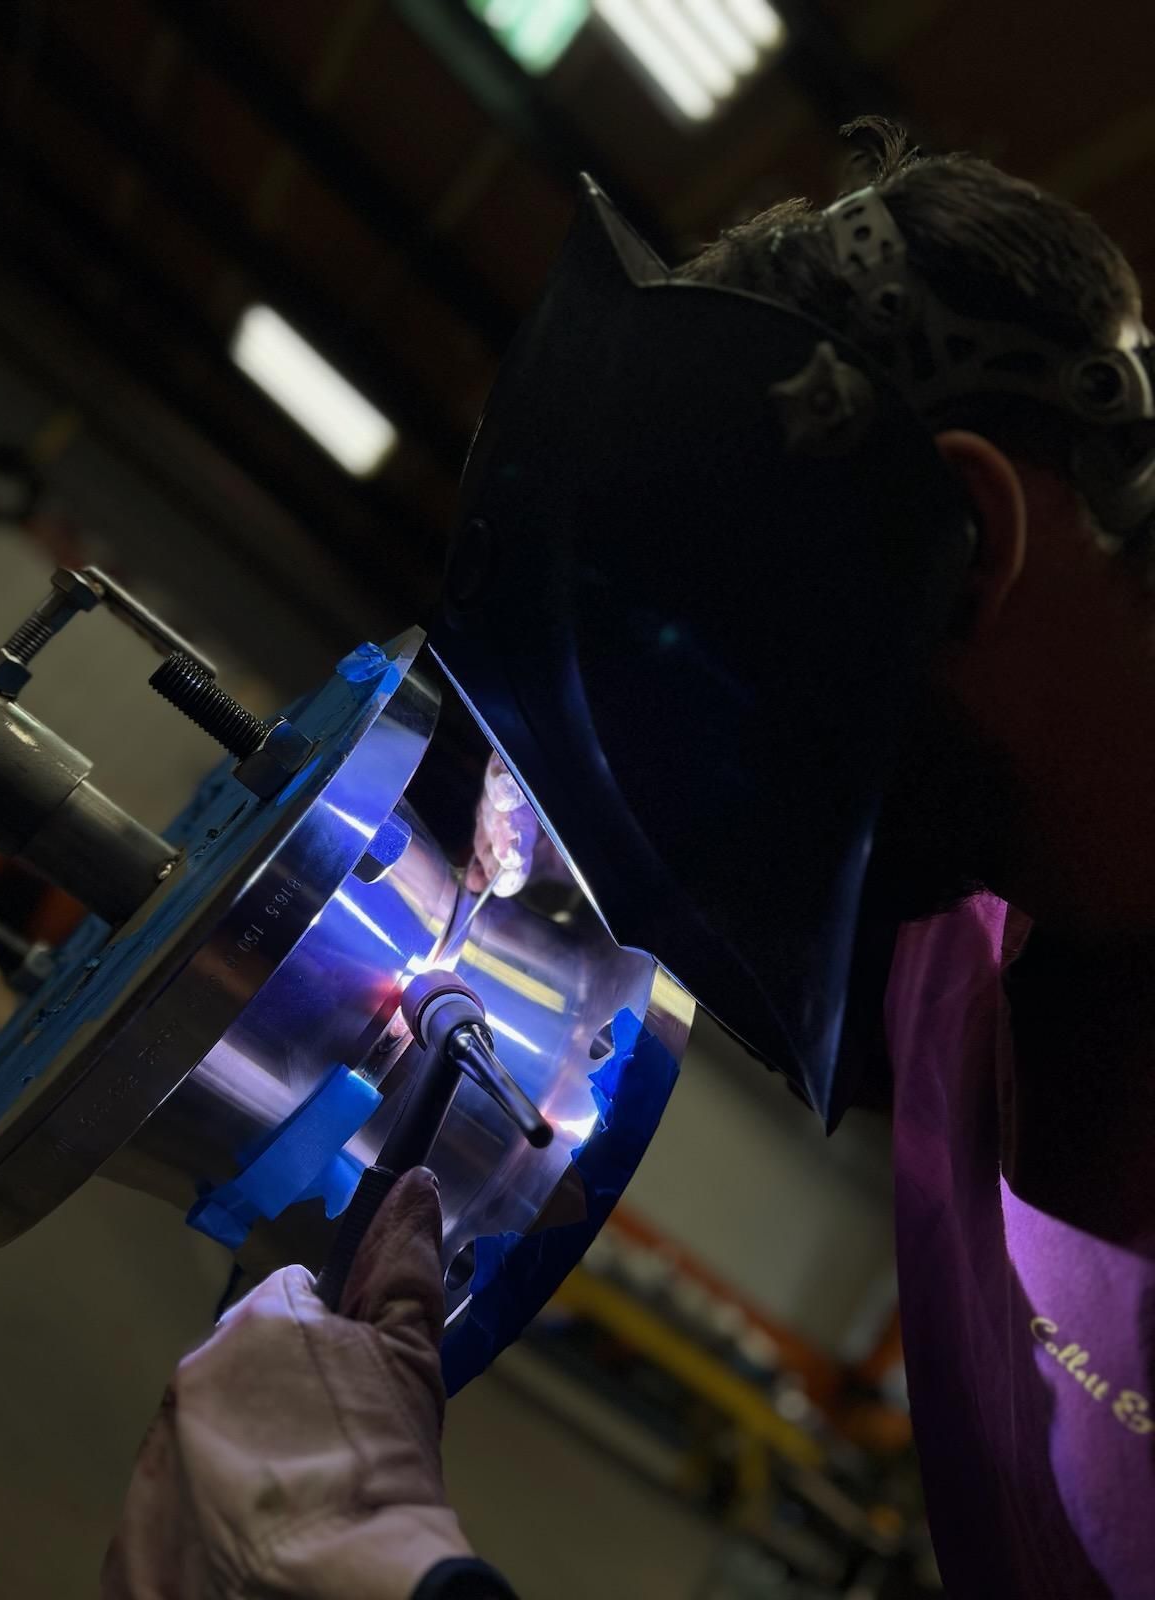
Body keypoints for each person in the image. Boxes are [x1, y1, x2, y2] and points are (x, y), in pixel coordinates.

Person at [104, 121, 1155, 1598]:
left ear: (966, 544)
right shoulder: (962, 952)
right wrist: (541, 761)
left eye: (736, 684)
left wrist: (391, 1577)